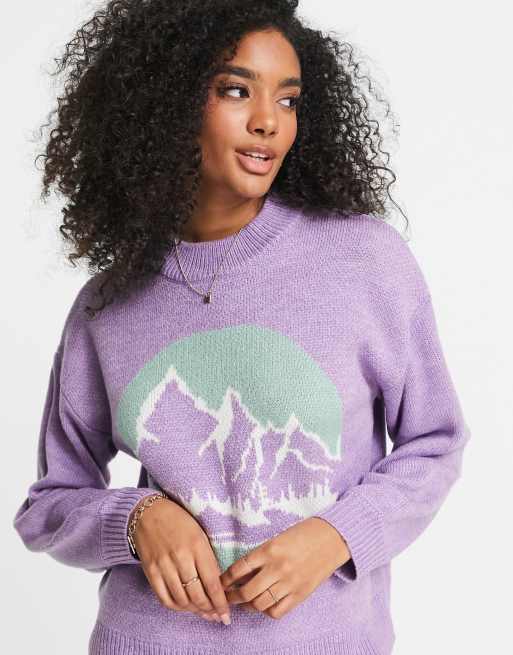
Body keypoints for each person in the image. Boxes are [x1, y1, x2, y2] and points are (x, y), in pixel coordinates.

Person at [13, 1, 471, 653]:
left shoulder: (364, 261)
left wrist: (337, 534)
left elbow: (435, 441)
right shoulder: (106, 308)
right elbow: (50, 504)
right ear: (167, 104)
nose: (267, 122)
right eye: (235, 90)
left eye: (288, 100)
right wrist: (137, 517)